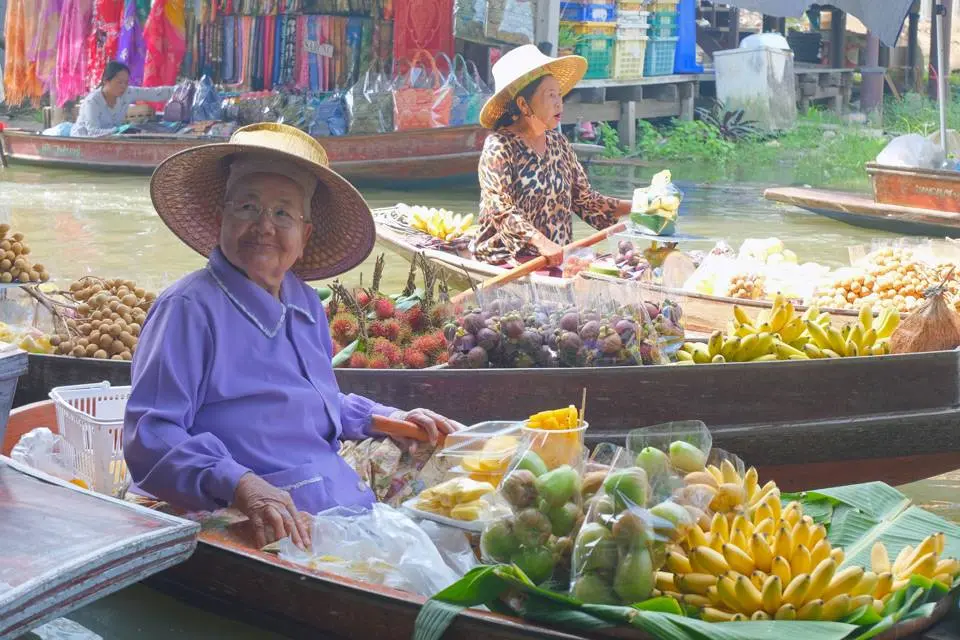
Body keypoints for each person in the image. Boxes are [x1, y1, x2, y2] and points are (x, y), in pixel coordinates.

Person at [123, 123, 462, 549]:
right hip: (262, 513)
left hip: (332, 490)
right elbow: (150, 437)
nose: (265, 226)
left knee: (455, 463)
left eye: (283, 213)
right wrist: (240, 483)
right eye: (247, 207)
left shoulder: (303, 303)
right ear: (220, 219)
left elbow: (310, 400)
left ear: (305, 235)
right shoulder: (187, 309)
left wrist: (385, 417)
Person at [472, 45, 633, 268]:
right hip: (506, 258)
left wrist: (638, 207)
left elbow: (586, 201)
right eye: (550, 95)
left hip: (557, 257)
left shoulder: (559, 144)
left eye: (559, 94)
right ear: (523, 104)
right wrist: (540, 242)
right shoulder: (499, 146)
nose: (559, 103)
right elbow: (500, 208)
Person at [71, 61, 175, 137]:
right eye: (119, 82)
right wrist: (120, 130)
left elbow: (154, 93)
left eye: (126, 82)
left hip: (111, 140)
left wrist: (180, 89)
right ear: (106, 81)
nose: (123, 86)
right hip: (84, 142)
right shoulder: (92, 101)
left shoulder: (127, 92)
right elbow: (93, 132)